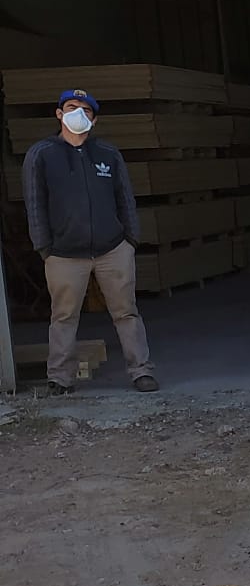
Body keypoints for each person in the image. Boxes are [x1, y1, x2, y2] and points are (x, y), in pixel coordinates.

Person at [22, 88, 158, 395]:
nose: (78, 114)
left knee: (126, 312)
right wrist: (44, 247)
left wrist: (130, 239)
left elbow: (125, 198)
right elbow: (35, 203)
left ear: (94, 120)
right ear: (59, 113)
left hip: (113, 249)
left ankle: (141, 372)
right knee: (64, 316)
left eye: (85, 110)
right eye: (71, 107)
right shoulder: (42, 154)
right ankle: (60, 378)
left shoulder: (108, 154)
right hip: (64, 254)